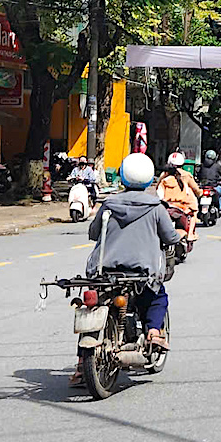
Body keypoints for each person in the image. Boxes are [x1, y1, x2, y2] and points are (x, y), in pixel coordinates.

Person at [80, 153, 180, 377]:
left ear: (123, 177)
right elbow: (171, 237)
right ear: (149, 178)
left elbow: (94, 233)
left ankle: (80, 365)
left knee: (91, 308)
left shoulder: (108, 204)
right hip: (141, 273)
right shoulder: (156, 207)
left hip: (104, 271)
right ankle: (153, 332)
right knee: (157, 298)